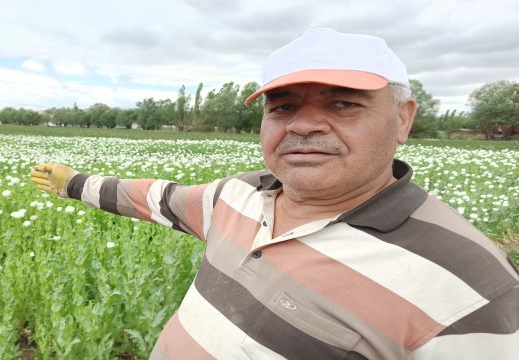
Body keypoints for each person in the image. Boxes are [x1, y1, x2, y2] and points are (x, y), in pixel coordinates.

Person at [30, 28, 519, 359]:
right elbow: (158, 198)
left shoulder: (472, 290)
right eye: (282, 106)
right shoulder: (238, 196)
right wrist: (73, 184)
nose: (303, 124)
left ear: (404, 119)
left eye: (343, 103)